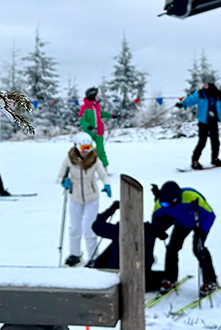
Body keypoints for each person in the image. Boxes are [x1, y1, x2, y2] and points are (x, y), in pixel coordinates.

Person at [150, 181, 219, 295]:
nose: (164, 205)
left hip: (199, 223)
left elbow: (210, 215)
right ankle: (170, 278)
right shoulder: (161, 202)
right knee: (172, 248)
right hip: (182, 223)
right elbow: (156, 216)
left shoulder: (191, 197)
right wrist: (159, 230)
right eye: (163, 203)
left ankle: (210, 280)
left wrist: (202, 231)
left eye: (167, 204)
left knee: (198, 248)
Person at [88, 201, 174, 286]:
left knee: (116, 244)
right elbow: (163, 224)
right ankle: (166, 280)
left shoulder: (118, 230)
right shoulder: (149, 229)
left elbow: (96, 226)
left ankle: (96, 269)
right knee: (161, 275)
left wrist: (111, 210)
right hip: (139, 274)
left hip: (116, 274)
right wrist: (159, 232)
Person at [56, 134, 111, 266]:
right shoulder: (69, 159)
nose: (86, 150)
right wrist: (64, 182)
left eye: (89, 147)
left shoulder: (94, 159)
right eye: (83, 147)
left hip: (91, 197)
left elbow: (103, 174)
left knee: (90, 228)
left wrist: (107, 184)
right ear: (76, 147)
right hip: (75, 197)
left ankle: (93, 256)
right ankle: (74, 254)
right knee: (74, 227)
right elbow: (60, 176)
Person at [177, 82, 221, 169]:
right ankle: (195, 161)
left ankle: (215, 159)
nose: (204, 86)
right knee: (202, 142)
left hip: (214, 121)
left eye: (206, 85)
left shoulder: (219, 94)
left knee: (215, 142)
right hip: (203, 122)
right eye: (204, 85)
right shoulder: (201, 94)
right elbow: (191, 99)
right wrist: (182, 104)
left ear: (211, 86)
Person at [78, 88, 110, 167]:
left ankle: (103, 167)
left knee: (100, 150)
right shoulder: (84, 107)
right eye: (96, 95)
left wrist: (111, 115)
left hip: (99, 131)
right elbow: (81, 120)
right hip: (89, 132)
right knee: (86, 149)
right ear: (92, 96)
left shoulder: (97, 106)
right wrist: (89, 126)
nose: (98, 96)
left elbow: (100, 114)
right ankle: (85, 167)